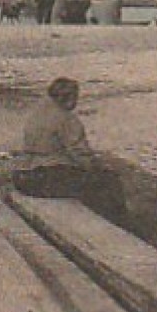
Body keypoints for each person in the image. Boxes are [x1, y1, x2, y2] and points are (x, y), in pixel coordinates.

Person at [12, 77, 126, 221]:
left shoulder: (37, 113)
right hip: (44, 180)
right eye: (76, 97)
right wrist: (100, 167)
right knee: (108, 181)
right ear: (70, 98)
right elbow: (81, 154)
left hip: (23, 179)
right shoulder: (67, 118)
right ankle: (117, 223)